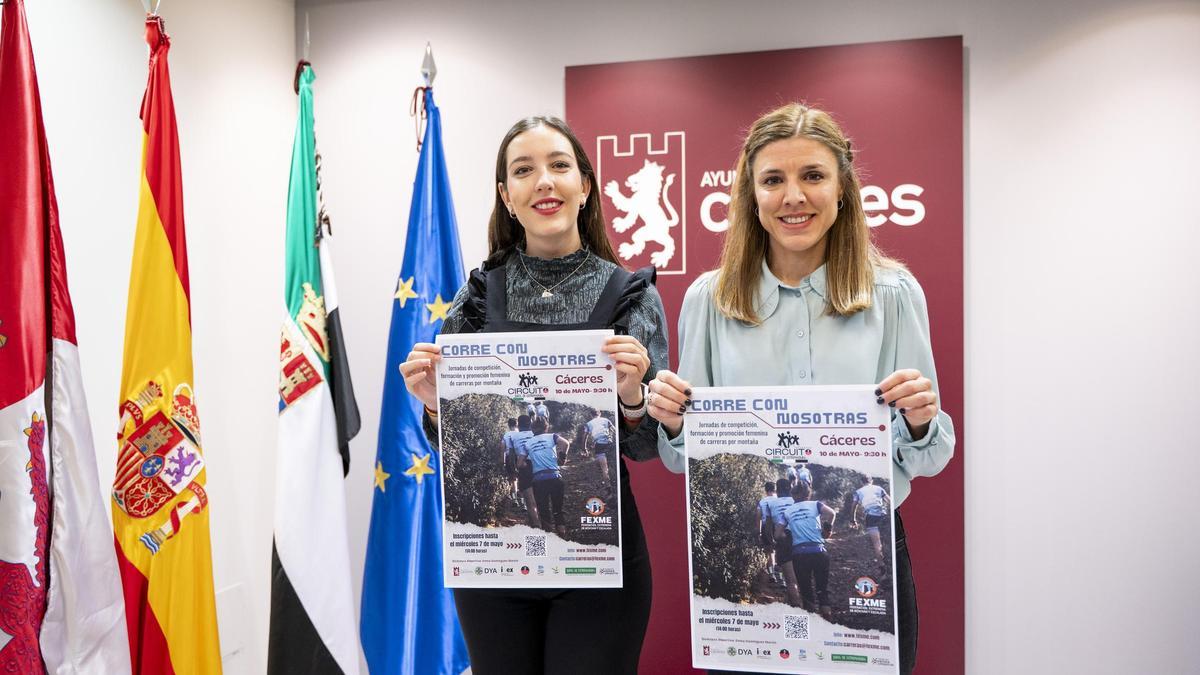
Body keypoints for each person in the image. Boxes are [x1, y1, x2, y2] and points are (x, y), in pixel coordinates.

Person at [647, 103, 955, 675]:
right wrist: (671, 420)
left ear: (842, 190)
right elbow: (684, 458)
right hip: (748, 575)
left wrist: (919, 419)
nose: (794, 196)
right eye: (773, 180)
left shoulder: (893, 295)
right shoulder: (707, 302)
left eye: (812, 176)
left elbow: (932, 455)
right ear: (751, 197)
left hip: (874, 573)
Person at [399, 115, 669, 674]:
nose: (543, 181)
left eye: (559, 166)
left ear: (585, 186)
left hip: (601, 559)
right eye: (524, 171)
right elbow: (452, 449)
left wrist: (633, 397)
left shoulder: (632, 297)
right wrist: (431, 403)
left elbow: (647, 450)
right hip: (494, 564)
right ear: (507, 195)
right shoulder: (474, 298)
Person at [778, 482, 836, 619]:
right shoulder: (815, 504)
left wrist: (788, 535)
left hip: (799, 555)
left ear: (793, 495)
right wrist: (827, 530)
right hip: (819, 551)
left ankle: (813, 623)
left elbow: (777, 534)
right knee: (822, 590)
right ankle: (827, 618)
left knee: (806, 591)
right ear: (808, 494)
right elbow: (832, 513)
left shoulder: (787, 512)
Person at [521, 418, 570, 535]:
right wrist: (562, 458)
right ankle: (561, 536)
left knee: (544, 511)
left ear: (532, 429)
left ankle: (549, 539)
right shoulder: (552, 436)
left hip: (539, 481)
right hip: (555, 477)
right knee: (558, 510)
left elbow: (520, 463)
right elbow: (566, 443)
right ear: (546, 428)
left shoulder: (527, 444)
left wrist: (529, 463)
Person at [765, 477, 800, 605]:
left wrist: (772, 541)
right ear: (790, 489)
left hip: (782, 540)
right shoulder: (796, 501)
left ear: (777, 490)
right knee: (800, 578)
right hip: (798, 539)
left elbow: (768, 527)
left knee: (790, 581)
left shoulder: (770, 504)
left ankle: (795, 608)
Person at [852, 475, 892, 577]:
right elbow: (890, 501)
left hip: (870, 518)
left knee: (876, 543)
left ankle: (882, 566)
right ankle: (891, 563)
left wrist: (853, 519)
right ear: (872, 481)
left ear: (862, 482)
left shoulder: (858, 491)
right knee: (888, 540)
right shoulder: (879, 488)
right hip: (883, 516)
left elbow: (854, 506)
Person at [512, 415, 539, 527]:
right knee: (538, 498)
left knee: (529, 500)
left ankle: (536, 525)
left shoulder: (513, 436)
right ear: (530, 423)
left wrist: (515, 468)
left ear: (518, 424)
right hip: (537, 465)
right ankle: (540, 523)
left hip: (523, 466)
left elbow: (512, 454)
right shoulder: (535, 434)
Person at [586, 409, 617, 491]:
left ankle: (609, 487)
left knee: (604, 468)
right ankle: (616, 483)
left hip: (599, 445)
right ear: (600, 413)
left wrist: (584, 447)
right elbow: (614, 430)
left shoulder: (589, 423)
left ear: (590, 415)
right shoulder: (606, 420)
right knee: (613, 464)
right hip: (609, 443)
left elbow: (584, 437)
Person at [756, 481, 781, 584]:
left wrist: (759, 532)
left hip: (766, 527)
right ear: (775, 489)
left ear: (766, 490)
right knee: (780, 551)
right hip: (779, 526)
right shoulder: (779, 500)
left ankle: (772, 575)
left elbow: (758, 517)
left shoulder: (762, 501)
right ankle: (782, 577)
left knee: (770, 552)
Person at [501, 417, 521, 502]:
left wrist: (503, 461)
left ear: (509, 425)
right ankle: (524, 502)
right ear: (517, 424)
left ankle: (515, 499)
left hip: (510, 458)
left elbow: (502, 449)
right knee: (521, 478)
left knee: (513, 479)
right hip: (521, 457)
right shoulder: (520, 434)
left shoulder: (506, 435)